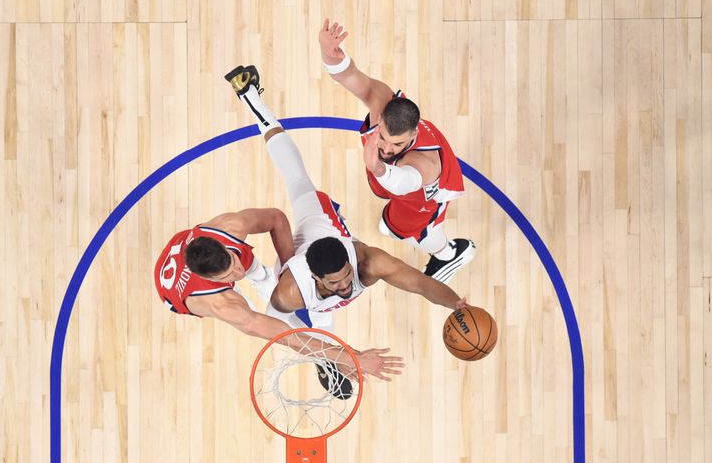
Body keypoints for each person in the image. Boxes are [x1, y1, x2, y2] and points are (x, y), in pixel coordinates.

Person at [225, 64, 468, 391]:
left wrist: (456, 303)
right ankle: (251, 98)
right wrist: (348, 356)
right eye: (337, 281)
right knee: (308, 322)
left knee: (298, 178)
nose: (345, 284)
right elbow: (291, 337)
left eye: (344, 275)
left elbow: (421, 284)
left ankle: (251, 98)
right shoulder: (289, 293)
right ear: (316, 278)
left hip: (321, 223)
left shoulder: (367, 262)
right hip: (291, 281)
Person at [154, 209, 402, 381]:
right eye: (229, 275)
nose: (237, 271)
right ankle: (324, 360)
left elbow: (276, 218)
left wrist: (290, 272)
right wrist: (348, 356)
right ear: (212, 279)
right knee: (264, 317)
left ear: (222, 247)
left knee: (260, 276)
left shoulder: (230, 227)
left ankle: (257, 275)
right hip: (173, 292)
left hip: (183, 244)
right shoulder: (222, 304)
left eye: (233, 261)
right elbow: (288, 338)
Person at [317, 19, 476, 283]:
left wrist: (377, 167)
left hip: (421, 199)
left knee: (413, 231)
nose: (387, 148)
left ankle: (449, 254)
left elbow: (404, 184)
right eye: (384, 138)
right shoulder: (381, 101)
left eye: (397, 144)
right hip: (398, 185)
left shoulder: (423, 163)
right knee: (389, 225)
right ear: (381, 120)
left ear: (412, 136)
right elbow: (348, 75)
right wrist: (326, 51)